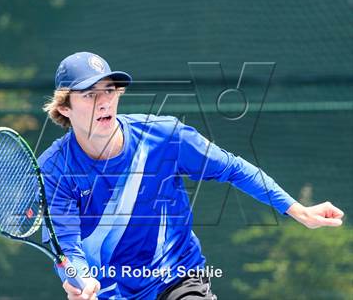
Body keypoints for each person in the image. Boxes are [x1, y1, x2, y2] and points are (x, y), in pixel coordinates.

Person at [38, 52, 344, 300]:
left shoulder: (165, 137)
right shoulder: (54, 169)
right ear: (65, 108)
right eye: (90, 95)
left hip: (178, 278)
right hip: (109, 292)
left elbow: (233, 168)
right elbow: (66, 247)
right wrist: (79, 279)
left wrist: (295, 209)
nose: (104, 101)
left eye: (109, 90)